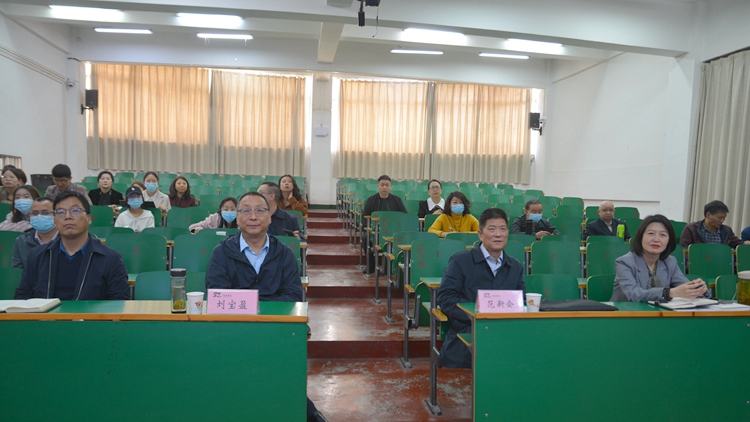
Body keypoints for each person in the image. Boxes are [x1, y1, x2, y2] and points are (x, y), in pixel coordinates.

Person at [205, 191, 327, 422]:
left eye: (260, 210)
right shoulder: (221, 252)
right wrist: (257, 308)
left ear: (270, 217)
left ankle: (303, 411)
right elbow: (217, 295)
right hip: (233, 330)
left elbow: (293, 296)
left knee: (279, 372)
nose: (253, 216)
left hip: (276, 329)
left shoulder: (284, 253)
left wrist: (253, 307)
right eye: (246, 211)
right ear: (237, 218)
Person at [437, 208, 525, 368]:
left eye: (503, 229)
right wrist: (476, 315)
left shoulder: (515, 266)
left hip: (506, 331)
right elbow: (445, 298)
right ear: (480, 234)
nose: (498, 234)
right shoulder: (460, 261)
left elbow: (521, 301)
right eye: (492, 229)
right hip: (468, 330)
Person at [15, 191, 130, 300]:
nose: (67, 216)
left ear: (88, 218)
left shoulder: (111, 259)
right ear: (54, 220)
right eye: (60, 212)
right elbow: (22, 296)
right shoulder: (37, 256)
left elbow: (119, 301)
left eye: (75, 210)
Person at [612, 214, 710, 302]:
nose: (656, 239)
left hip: (659, 314)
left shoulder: (670, 262)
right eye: (651, 233)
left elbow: (685, 287)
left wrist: (698, 289)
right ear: (641, 237)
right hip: (625, 313)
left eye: (663, 235)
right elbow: (634, 294)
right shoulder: (624, 262)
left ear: (669, 240)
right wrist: (669, 293)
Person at [12, 197, 59, 269]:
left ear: (56, 214)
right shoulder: (21, 242)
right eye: (35, 213)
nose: (39, 216)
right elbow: (17, 271)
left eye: (45, 212)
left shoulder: (68, 239)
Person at [679, 200, 749, 248]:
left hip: (721, 262)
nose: (722, 221)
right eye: (720, 218)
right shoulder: (691, 229)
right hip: (698, 262)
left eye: (724, 218)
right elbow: (684, 249)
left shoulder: (726, 230)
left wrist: (745, 244)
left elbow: (737, 244)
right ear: (708, 215)